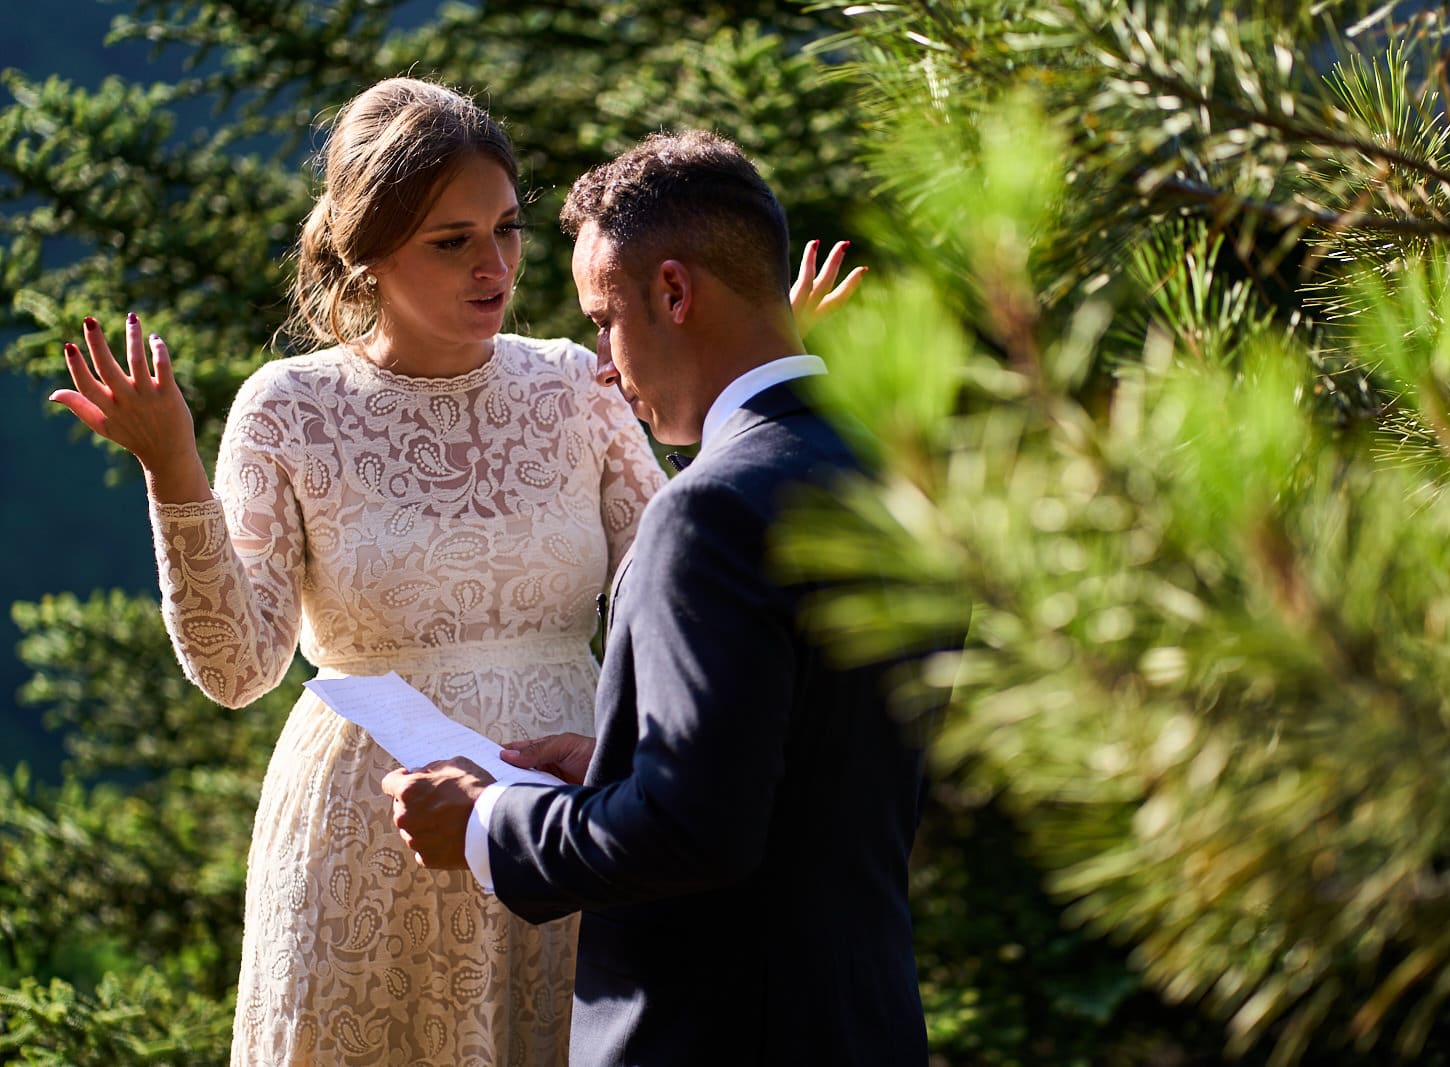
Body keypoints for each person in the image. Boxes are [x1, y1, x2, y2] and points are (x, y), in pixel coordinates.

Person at [50, 79, 861, 1066]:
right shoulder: (288, 407)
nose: (495, 266)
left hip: (565, 821)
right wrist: (171, 466)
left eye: (509, 230)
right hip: (368, 839)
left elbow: (686, 567)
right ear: (369, 249)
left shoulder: (573, 381)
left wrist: (758, 377)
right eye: (452, 240)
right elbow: (236, 667)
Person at [383, 129, 934, 1066]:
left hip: (710, 1035)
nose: (602, 360)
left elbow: (692, 837)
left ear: (674, 293)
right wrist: (617, 761)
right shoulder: (894, 474)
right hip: (864, 1024)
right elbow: (821, 773)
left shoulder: (707, 512)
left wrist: (484, 820)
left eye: (604, 319)